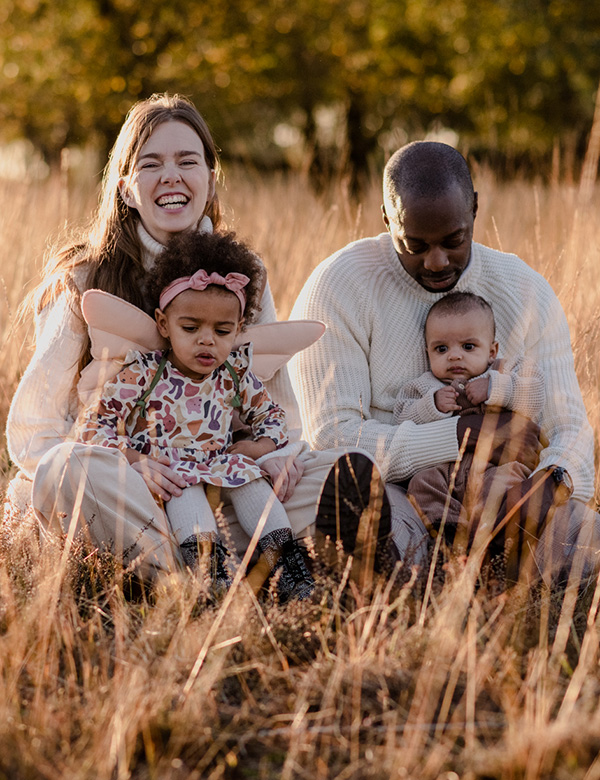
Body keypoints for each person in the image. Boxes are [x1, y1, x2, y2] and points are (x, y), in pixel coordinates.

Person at [5, 93, 392, 583]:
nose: (171, 175)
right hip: (128, 491)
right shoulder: (85, 278)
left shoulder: (244, 276)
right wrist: (130, 463)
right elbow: (33, 432)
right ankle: (196, 582)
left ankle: (245, 561)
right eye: (151, 163)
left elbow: (277, 410)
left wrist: (272, 456)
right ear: (126, 188)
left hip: (221, 483)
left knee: (333, 468)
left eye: (188, 161)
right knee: (64, 470)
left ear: (210, 180)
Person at [290, 140, 599, 584]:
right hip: (401, 492)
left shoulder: (523, 289)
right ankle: (418, 580)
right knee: (378, 526)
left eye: (453, 241)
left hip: (508, 492)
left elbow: (569, 424)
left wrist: (551, 485)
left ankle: (498, 567)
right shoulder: (338, 286)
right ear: (385, 218)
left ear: (474, 209)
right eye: (413, 244)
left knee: (587, 541)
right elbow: (332, 437)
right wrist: (461, 434)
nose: (436, 262)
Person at [76, 230, 315, 601]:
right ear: (162, 324)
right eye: (191, 328)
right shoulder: (145, 372)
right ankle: (211, 578)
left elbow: (270, 415)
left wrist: (257, 449)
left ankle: (287, 569)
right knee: (183, 496)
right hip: (169, 470)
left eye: (222, 331)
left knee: (252, 482)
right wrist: (135, 459)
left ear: (238, 330)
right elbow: (97, 423)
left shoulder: (234, 374)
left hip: (221, 464)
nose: (207, 340)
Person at [394, 291, 544, 548]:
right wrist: (432, 406)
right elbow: (401, 417)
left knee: (503, 488)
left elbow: (536, 394)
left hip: (495, 466)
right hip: (445, 470)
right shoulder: (424, 386)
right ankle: (449, 535)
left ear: (492, 350)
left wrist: (495, 389)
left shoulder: (504, 371)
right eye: (441, 349)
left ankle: (496, 538)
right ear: (427, 352)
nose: (454, 356)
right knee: (421, 484)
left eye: (468, 347)